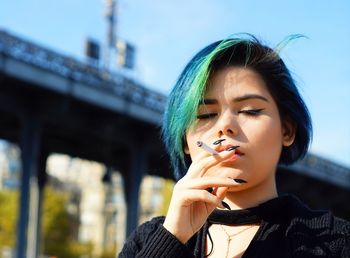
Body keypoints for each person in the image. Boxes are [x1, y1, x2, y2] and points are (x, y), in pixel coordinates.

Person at [119, 35, 350, 258]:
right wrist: (172, 238)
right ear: (186, 141)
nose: (225, 126)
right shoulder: (147, 240)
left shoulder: (335, 241)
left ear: (287, 130)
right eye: (206, 115)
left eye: (250, 110)